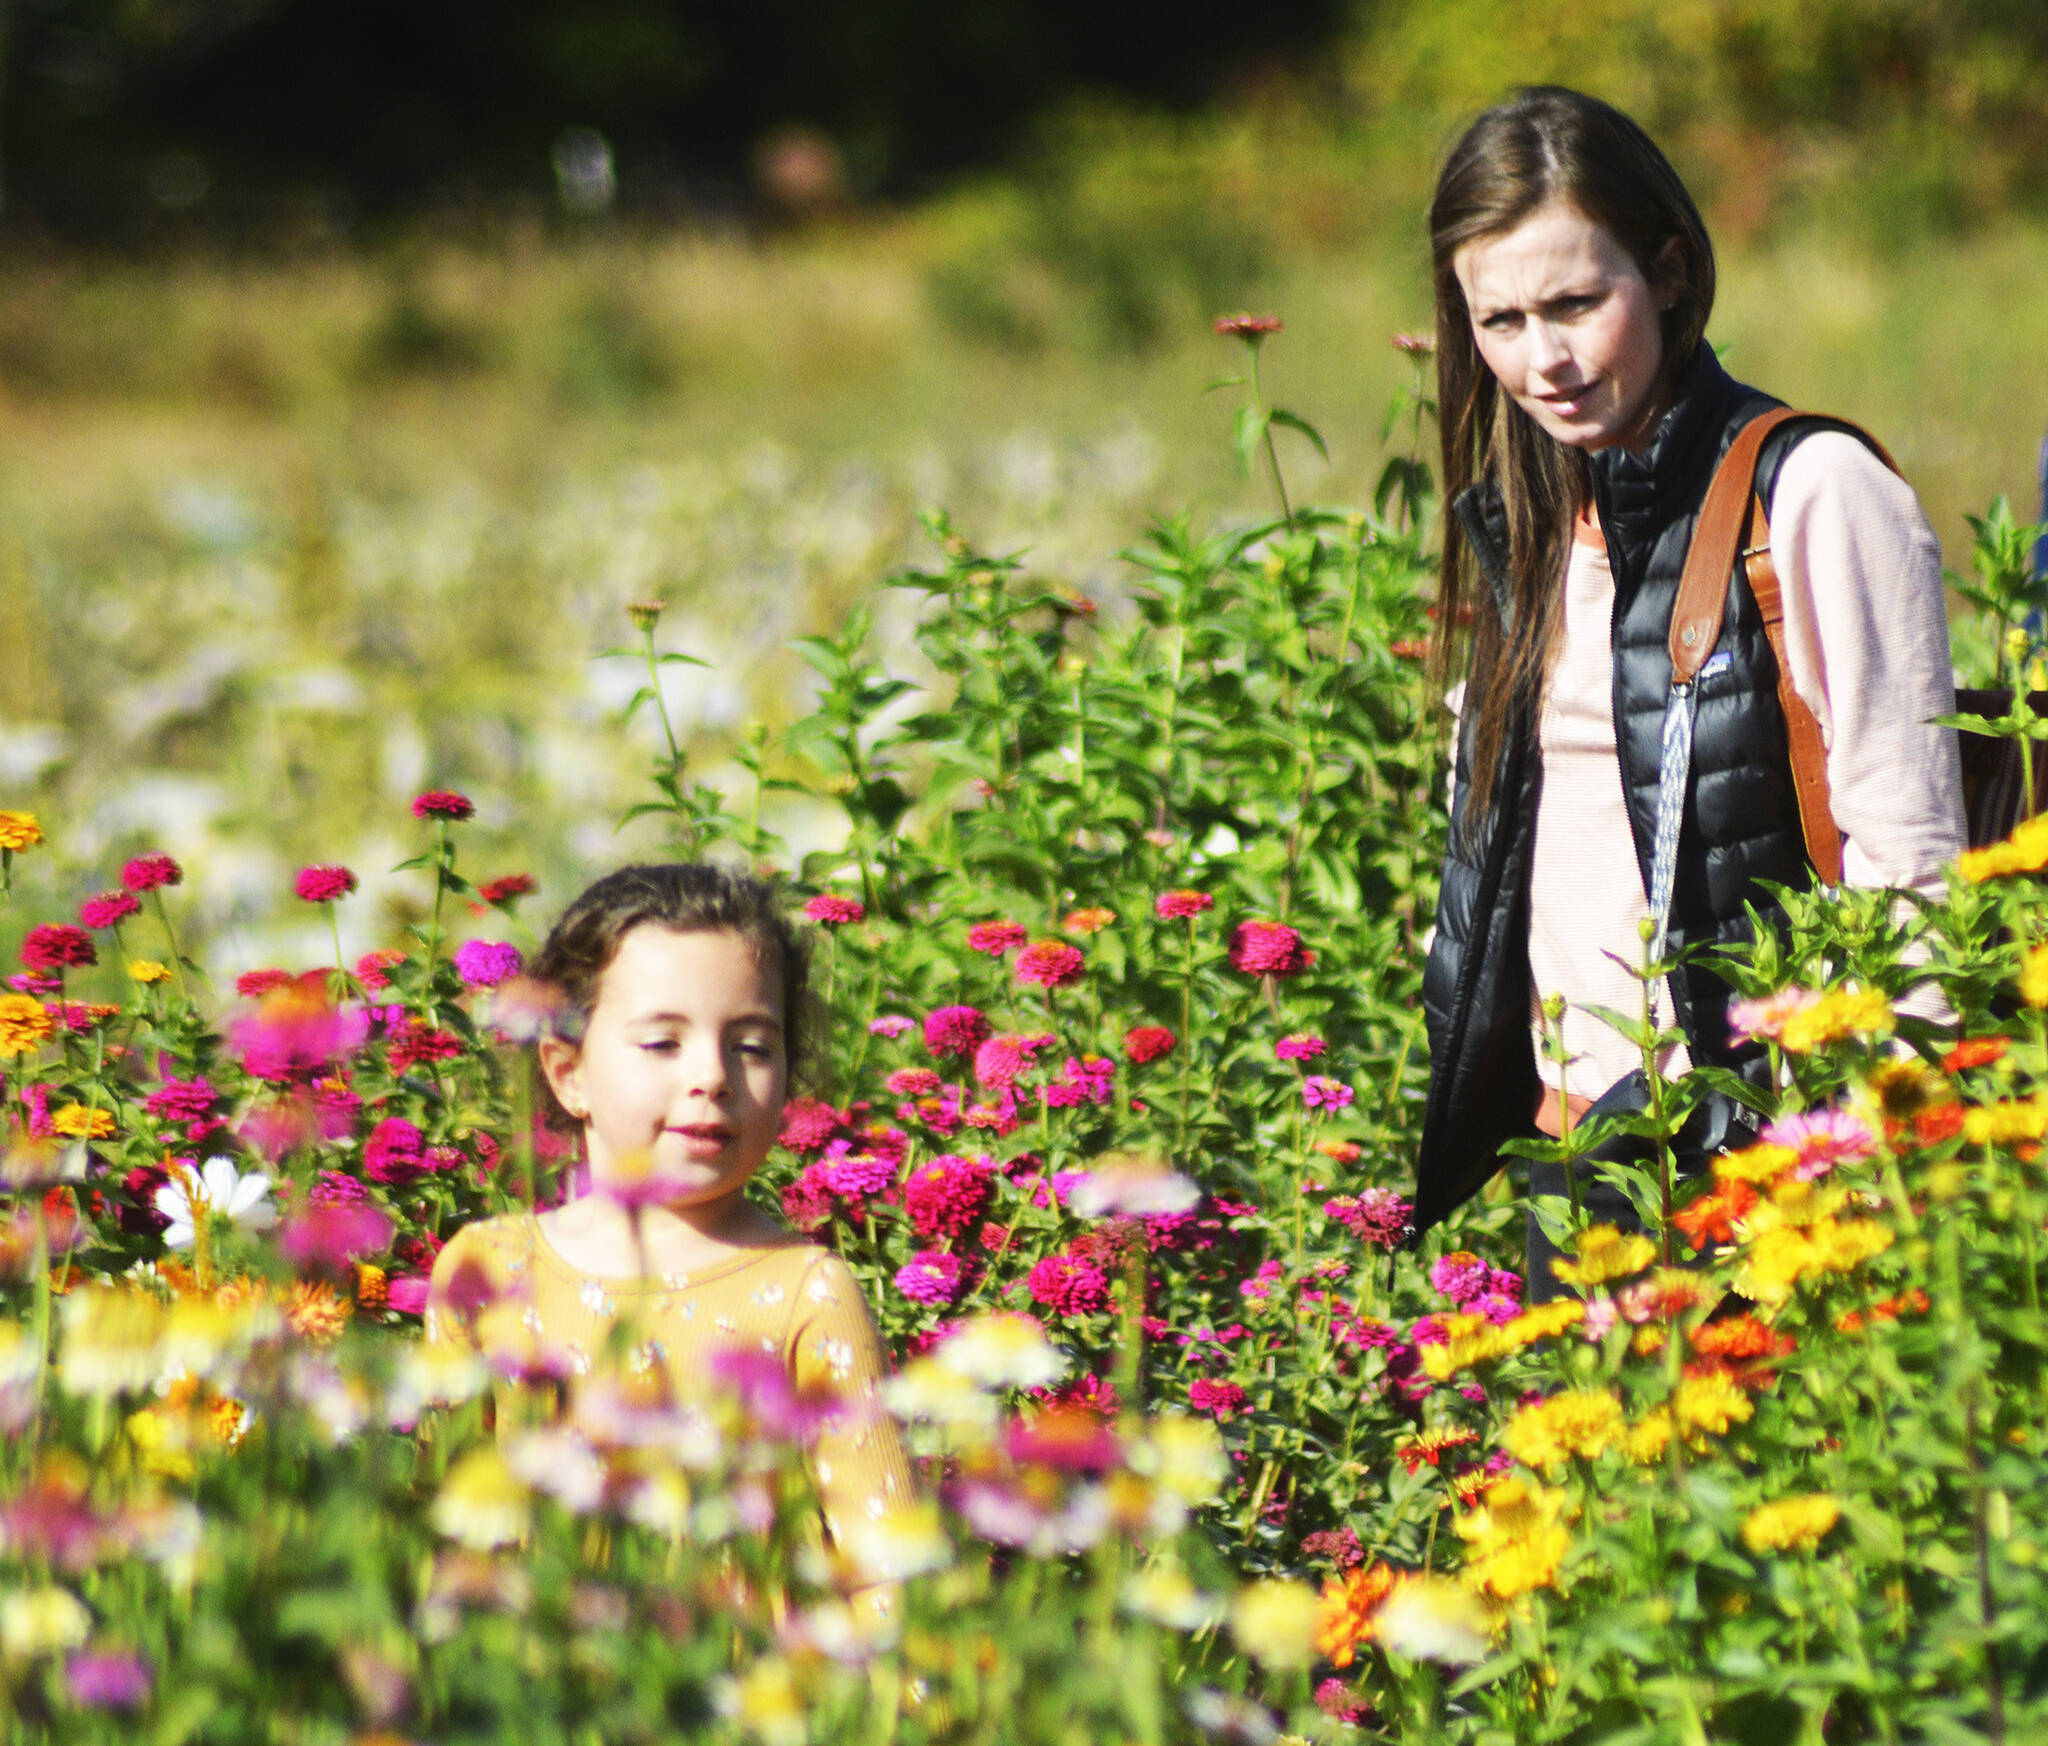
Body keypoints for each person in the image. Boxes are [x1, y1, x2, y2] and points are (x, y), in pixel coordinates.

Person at [1409, 87, 1967, 1293]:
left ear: (1665, 273)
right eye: (1497, 319)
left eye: (1572, 303)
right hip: (1572, 1140)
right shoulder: (1531, 513)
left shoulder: (1809, 490)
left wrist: (1873, 1163)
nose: (1540, 360)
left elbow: (1910, 860)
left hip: (1765, 1150)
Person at [426, 862, 916, 1591]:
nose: (712, 1076)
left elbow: (888, 1575)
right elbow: (441, 1534)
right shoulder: (486, 1269)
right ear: (569, 1073)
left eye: (752, 1045)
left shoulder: (807, 1292)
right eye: (662, 1043)